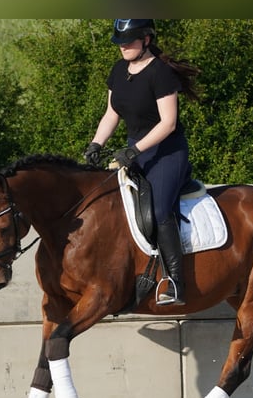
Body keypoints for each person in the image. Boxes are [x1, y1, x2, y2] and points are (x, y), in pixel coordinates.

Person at [84, 19, 200, 306]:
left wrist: (133, 150)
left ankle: (175, 282)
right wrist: (96, 143)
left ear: (146, 40)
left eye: (131, 40)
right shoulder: (119, 70)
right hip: (135, 151)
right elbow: (112, 114)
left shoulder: (160, 74)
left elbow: (168, 123)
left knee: (160, 210)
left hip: (167, 153)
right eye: (121, 41)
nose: (124, 45)